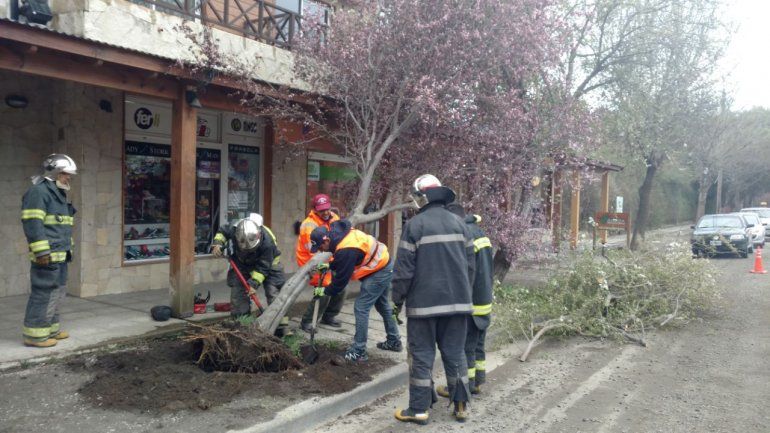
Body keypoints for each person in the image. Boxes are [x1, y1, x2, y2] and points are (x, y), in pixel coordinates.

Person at [392, 174, 475, 424]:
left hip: (423, 307)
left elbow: (403, 272)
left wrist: (395, 301)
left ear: (421, 197)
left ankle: (418, 409)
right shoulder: (461, 224)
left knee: (422, 355)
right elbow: (471, 267)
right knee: (455, 353)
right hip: (458, 304)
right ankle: (461, 405)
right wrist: (463, 295)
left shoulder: (414, 226)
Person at [309, 219, 401, 362]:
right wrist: (329, 266)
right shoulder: (339, 237)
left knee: (361, 307)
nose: (321, 250)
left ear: (326, 240)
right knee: (382, 305)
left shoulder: (346, 249)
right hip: (383, 263)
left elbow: (340, 282)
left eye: (320, 247)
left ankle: (359, 351)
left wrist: (324, 291)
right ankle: (394, 341)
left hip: (379, 270)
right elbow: (343, 259)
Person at [21, 154, 78, 348]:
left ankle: (50, 329)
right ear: (54, 173)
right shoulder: (39, 192)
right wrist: (41, 252)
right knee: (43, 292)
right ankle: (34, 335)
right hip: (48, 255)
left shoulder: (57, 193)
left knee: (57, 292)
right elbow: (32, 223)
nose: (68, 177)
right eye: (65, 174)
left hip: (60, 254)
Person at [437, 203, 493, 397]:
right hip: (485, 298)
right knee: (478, 344)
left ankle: (466, 387)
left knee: (465, 347)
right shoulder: (480, 233)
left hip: (471, 301)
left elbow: (461, 271)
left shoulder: (464, 236)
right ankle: (477, 382)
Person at [211, 213, 290, 336]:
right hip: (242, 263)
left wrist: (254, 284)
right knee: (238, 294)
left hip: (270, 265)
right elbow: (222, 232)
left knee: (275, 294)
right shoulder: (235, 229)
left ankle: (281, 328)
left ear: (258, 236)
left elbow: (263, 267)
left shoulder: (267, 243)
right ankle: (241, 326)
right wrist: (218, 243)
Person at [296, 194, 346, 332]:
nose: (325, 212)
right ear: (314, 209)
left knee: (341, 286)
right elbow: (315, 252)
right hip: (312, 260)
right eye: (321, 210)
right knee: (324, 290)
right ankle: (306, 321)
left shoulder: (334, 218)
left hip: (330, 256)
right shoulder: (308, 225)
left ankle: (329, 316)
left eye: (327, 209)